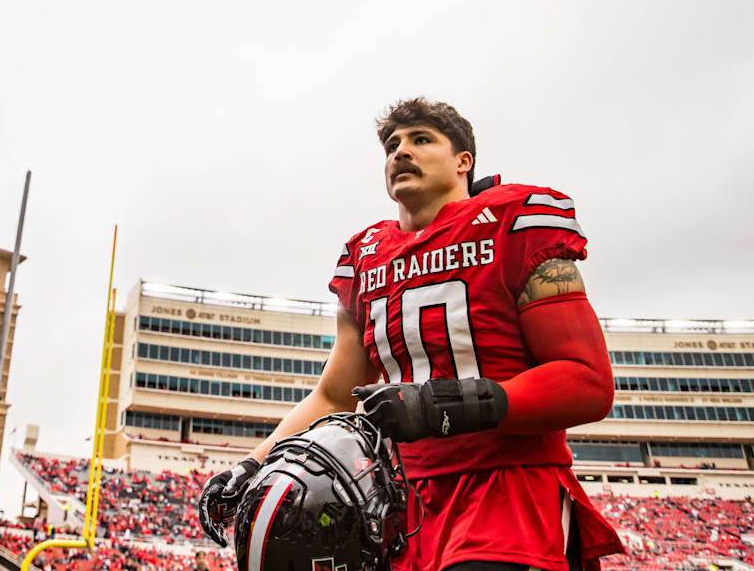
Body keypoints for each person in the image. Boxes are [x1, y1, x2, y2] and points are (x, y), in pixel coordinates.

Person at [199, 98, 623, 571]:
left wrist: (443, 405)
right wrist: (252, 464)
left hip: (508, 490)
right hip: (400, 505)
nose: (401, 151)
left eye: (421, 140)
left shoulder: (513, 222)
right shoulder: (366, 256)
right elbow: (334, 395)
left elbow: (586, 381)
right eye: (392, 145)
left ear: (463, 162)